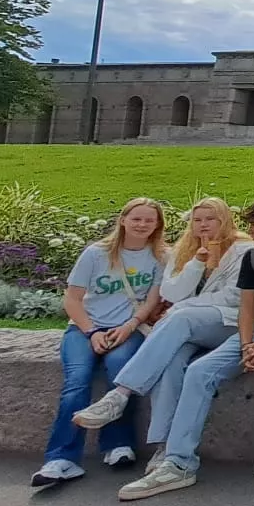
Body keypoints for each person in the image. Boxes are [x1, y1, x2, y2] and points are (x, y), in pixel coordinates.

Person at [116, 195, 254, 500]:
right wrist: (248, 345)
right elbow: (247, 308)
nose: (250, 230)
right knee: (199, 371)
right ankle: (179, 462)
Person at [71, 196, 251, 465]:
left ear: (225, 220)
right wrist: (197, 263)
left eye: (210, 219)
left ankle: (121, 393)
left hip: (226, 323)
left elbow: (233, 297)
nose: (203, 225)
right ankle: (164, 446)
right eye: (198, 220)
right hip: (186, 325)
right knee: (170, 364)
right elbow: (171, 292)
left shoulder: (244, 249)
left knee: (179, 319)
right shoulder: (183, 249)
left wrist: (180, 308)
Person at [32, 197, 167, 487]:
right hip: (85, 328)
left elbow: (153, 299)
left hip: (129, 327)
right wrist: (91, 332)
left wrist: (129, 326)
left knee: (121, 372)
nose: (142, 225)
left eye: (149, 220)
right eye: (136, 219)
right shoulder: (96, 253)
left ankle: (117, 444)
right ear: (123, 220)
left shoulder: (159, 256)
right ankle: (62, 458)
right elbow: (72, 298)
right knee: (77, 381)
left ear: (158, 225)